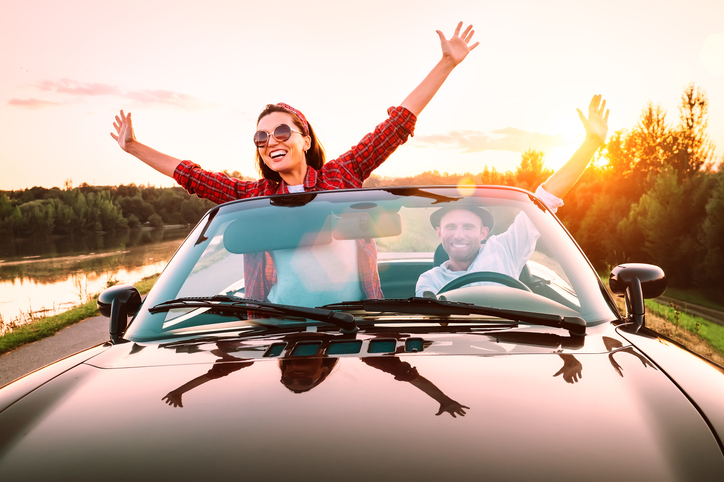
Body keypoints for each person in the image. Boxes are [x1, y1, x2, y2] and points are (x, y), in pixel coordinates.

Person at [112, 22, 478, 305]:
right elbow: (194, 177)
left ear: (305, 138)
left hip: (353, 320)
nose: (271, 141)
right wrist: (133, 147)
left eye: (282, 131)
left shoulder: (342, 174)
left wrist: (446, 63)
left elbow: (395, 125)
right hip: (279, 325)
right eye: (261, 137)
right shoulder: (254, 196)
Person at [416, 95, 609, 296]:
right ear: (439, 232)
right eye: (450, 227)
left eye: (468, 226)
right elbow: (430, 318)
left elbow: (545, 198)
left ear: (484, 233)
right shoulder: (429, 280)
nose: (459, 234)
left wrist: (591, 143)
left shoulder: (506, 248)